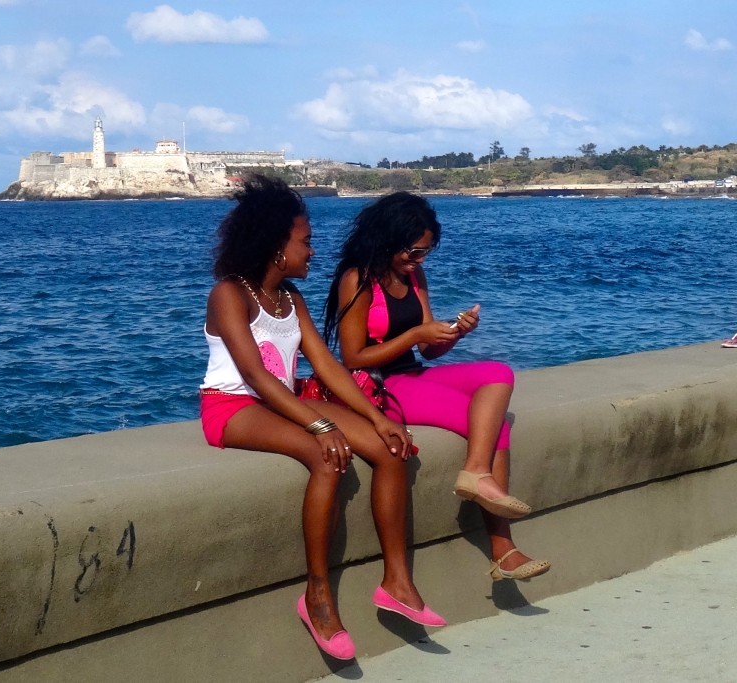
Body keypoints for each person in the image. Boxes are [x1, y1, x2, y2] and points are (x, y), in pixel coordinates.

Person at [200, 175, 444, 661]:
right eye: (305, 242)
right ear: (274, 245)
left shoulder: (292, 299)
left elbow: (329, 366)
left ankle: (396, 582)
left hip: (282, 399)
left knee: (393, 448)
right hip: (233, 406)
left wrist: (376, 419)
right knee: (326, 456)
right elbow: (254, 373)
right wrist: (320, 425)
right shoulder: (230, 294)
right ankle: (317, 595)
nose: (313, 252)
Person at [323, 191, 550, 584]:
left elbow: (428, 349)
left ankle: (476, 472)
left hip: (412, 372)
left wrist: (455, 333)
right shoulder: (357, 279)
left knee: (499, 372)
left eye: (425, 252)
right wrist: (414, 332)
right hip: (381, 386)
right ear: (388, 238)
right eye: (413, 251)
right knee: (497, 424)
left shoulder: (414, 276)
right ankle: (503, 549)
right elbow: (353, 358)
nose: (419, 259)